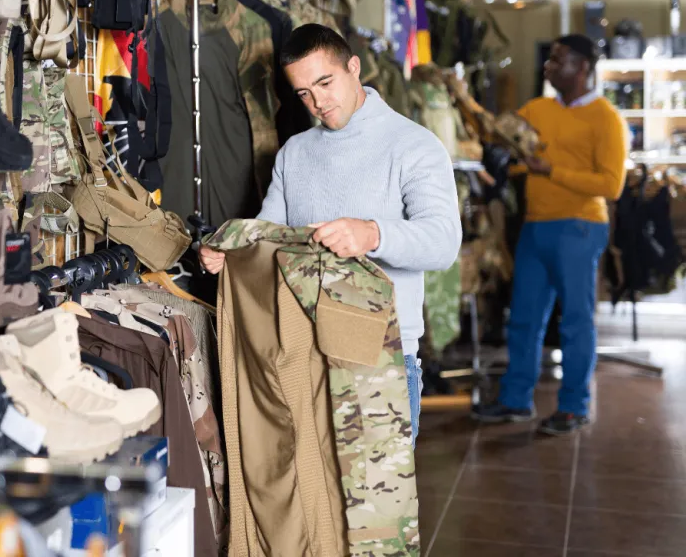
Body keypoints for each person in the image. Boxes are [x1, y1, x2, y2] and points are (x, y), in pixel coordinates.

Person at [199, 23, 462, 445]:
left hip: (380, 358)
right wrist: (231, 253)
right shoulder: (295, 153)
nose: (318, 102)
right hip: (299, 354)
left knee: (374, 509)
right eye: (304, 93)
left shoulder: (415, 146)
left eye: (326, 82)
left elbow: (444, 242)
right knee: (307, 508)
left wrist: (373, 234)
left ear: (354, 67)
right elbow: (270, 237)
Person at [473, 34, 627, 435]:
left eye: (559, 60)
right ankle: (515, 400)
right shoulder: (536, 108)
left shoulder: (606, 118)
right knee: (523, 318)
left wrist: (550, 171)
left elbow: (611, 185)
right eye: (550, 59)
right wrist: (508, 160)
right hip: (535, 226)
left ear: (583, 68)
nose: (549, 66)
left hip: (580, 227)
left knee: (575, 322)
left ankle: (574, 407)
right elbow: (519, 158)